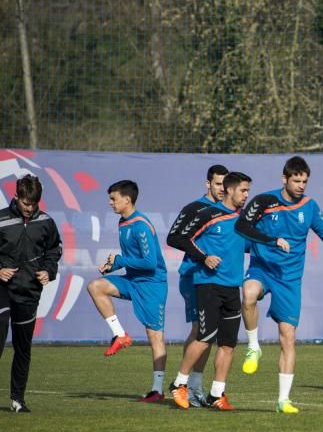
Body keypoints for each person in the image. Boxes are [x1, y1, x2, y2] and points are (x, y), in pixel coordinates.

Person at [237, 156, 323, 414]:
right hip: (262, 268)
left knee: (288, 338)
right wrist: (272, 241)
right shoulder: (264, 201)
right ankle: (253, 346)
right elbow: (242, 226)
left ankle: (283, 400)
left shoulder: (310, 206)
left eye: (304, 181)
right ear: (284, 179)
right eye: (296, 180)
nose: (301, 185)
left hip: (290, 279)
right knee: (248, 294)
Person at [166, 172, 252, 410]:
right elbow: (176, 237)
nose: (246, 195)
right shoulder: (207, 214)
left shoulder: (243, 219)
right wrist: (203, 257)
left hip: (232, 288)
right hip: (208, 285)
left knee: (228, 344)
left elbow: (250, 243)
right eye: (243, 190)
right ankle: (178, 383)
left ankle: (217, 394)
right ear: (230, 190)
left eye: (248, 191)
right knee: (204, 338)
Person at [87, 180, 169, 402]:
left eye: (113, 199)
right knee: (96, 286)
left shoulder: (141, 225)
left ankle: (158, 390)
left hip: (152, 284)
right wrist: (112, 266)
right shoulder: (123, 223)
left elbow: (150, 262)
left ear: (127, 199)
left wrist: (120, 260)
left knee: (155, 337)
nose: (110, 203)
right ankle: (120, 335)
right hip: (133, 280)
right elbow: (133, 260)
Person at [167, 163, 228, 407]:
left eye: (225, 184)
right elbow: (173, 237)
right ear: (208, 184)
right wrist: (202, 256)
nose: (222, 188)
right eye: (217, 184)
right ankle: (183, 386)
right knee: (200, 332)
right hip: (193, 277)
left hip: (216, 281)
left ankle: (194, 386)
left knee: (209, 335)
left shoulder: (228, 210)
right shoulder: (195, 208)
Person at [0, 175, 62, 413]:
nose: (30, 208)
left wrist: (48, 271)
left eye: (34, 204)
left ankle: (17, 400)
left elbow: (54, 250)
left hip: (29, 293)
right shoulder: (2, 219)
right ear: (16, 197)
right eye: (26, 203)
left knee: (22, 348)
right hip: (2, 289)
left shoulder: (46, 223)